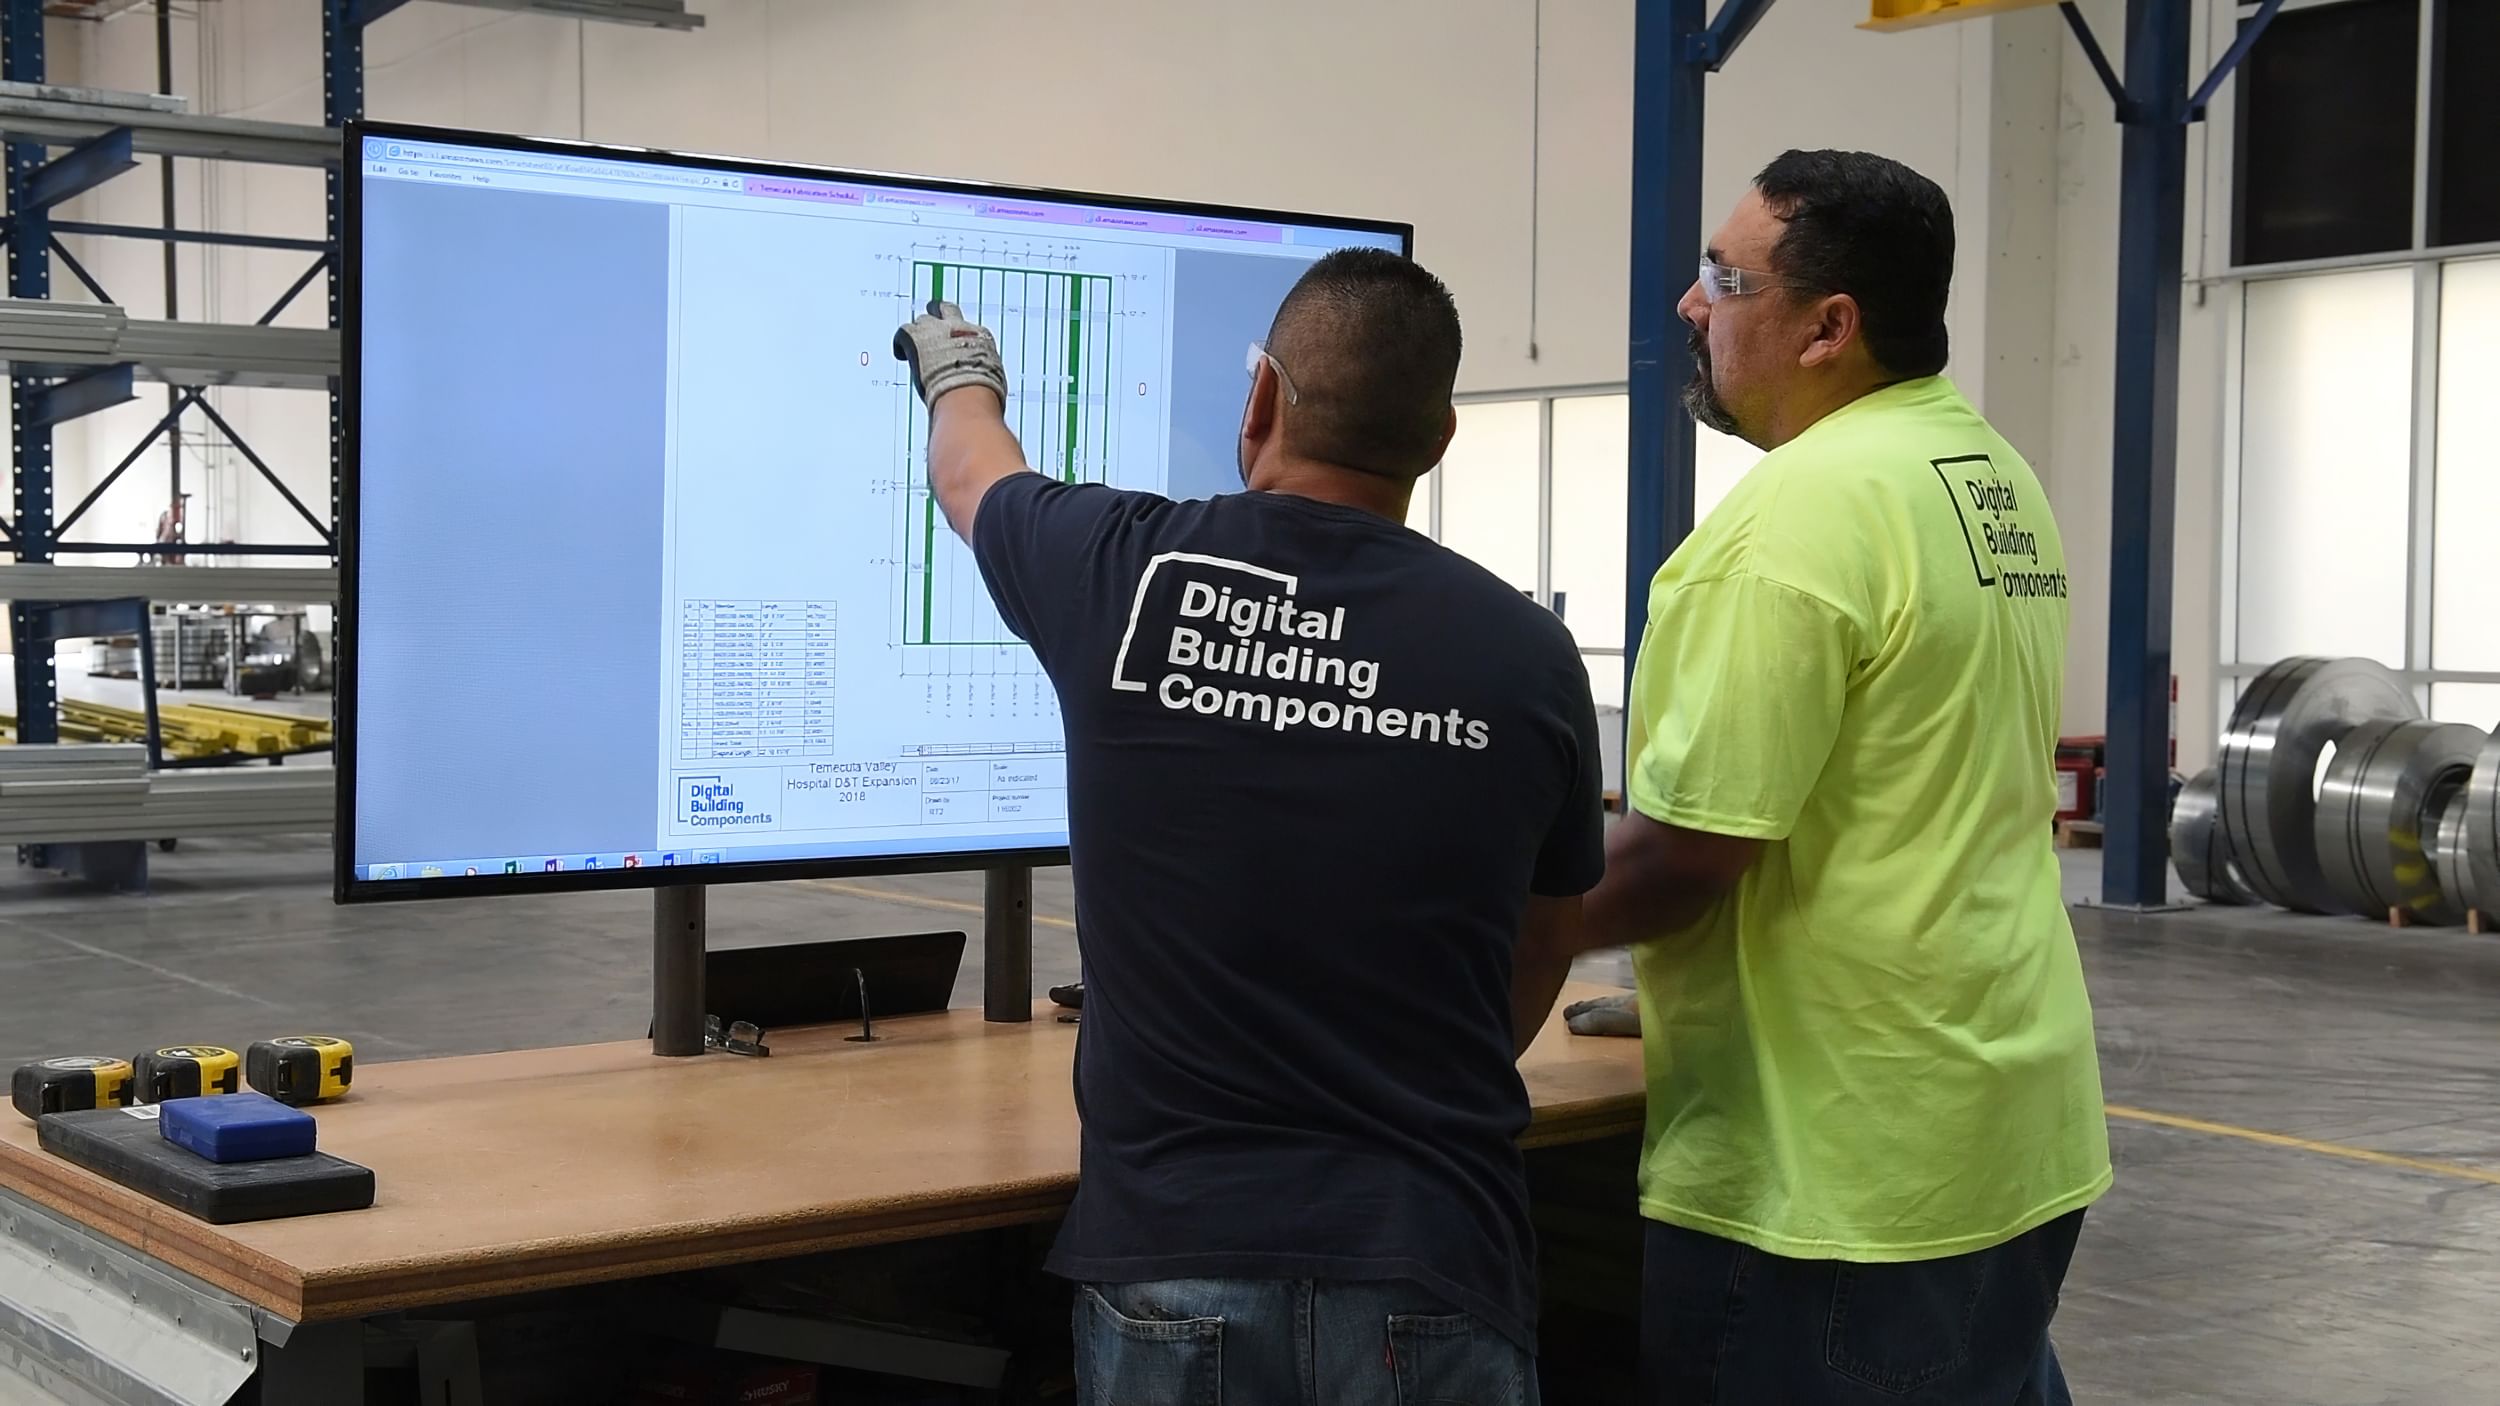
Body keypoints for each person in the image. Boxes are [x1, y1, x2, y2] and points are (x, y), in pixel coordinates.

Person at [895, 248, 1605, 1405]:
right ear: (1437, 442)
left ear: (1263, 397)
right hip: (1433, 1251)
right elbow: (1542, 941)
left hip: (1179, 1257)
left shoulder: (1121, 571)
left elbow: (973, 474)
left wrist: (957, 370)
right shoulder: (1525, 653)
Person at [1514, 149, 2111, 1404]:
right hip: (2005, 1114)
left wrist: (1474, 945)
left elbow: (1686, 858)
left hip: (1835, 1172)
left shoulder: (1790, 522)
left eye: (1723, 278)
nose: (1690, 304)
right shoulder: (1986, 476)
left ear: (1830, 325)